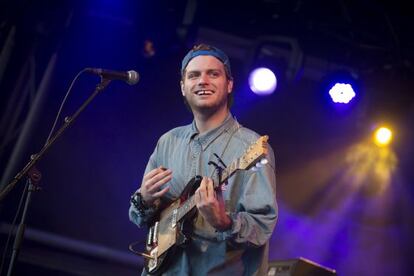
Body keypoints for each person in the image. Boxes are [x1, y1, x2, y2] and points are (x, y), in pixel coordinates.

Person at [129, 44, 278, 275]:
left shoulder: (253, 147)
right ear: (182, 87)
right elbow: (141, 218)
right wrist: (145, 200)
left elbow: (262, 226)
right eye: (194, 75)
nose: (203, 81)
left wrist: (223, 221)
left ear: (229, 84)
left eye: (213, 74)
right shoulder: (168, 141)